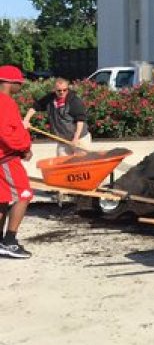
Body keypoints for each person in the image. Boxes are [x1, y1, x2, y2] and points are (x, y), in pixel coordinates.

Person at [0, 65, 34, 259]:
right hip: (7, 158)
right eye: (19, 83)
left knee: (2, 199)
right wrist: (23, 148)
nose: (20, 87)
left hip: (3, 157)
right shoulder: (5, 102)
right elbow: (5, 132)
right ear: (10, 83)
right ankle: (10, 242)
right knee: (25, 193)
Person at [23, 78, 91, 156]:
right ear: (54, 89)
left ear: (67, 89)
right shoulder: (49, 99)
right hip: (63, 140)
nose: (62, 92)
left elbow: (80, 121)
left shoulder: (74, 101)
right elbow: (35, 107)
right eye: (59, 90)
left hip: (80, 138)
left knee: (81, 164)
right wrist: (26, 120)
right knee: (62, 165)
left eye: (64, 90)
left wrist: (75, 139)